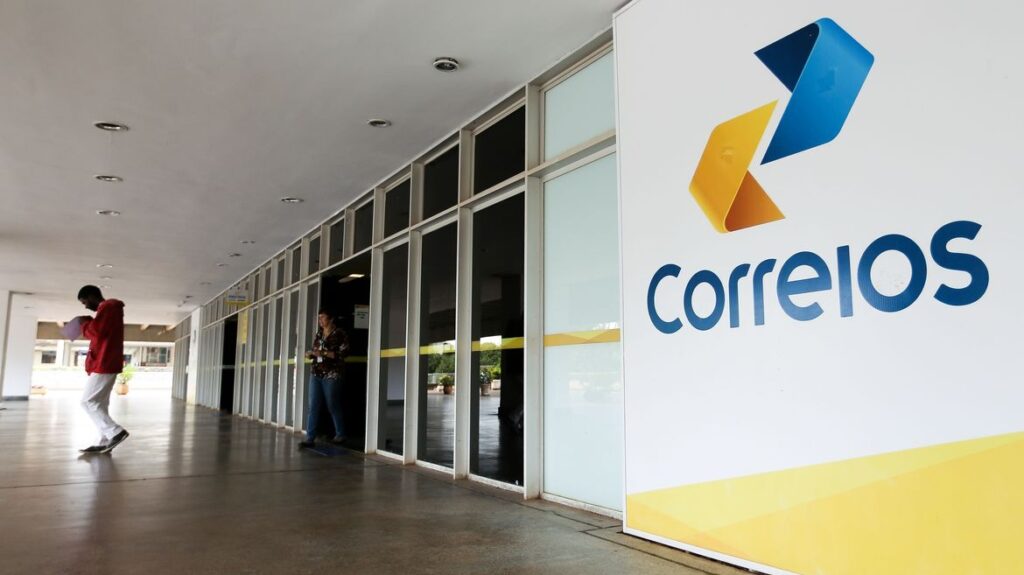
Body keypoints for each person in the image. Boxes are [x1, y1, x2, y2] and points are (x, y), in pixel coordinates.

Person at [75, 285, 130, 454]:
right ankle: (103, 440)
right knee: (99, 403)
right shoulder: (107, 310)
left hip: (104, 363)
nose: (85, 306)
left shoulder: (109, 306)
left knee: (88, 402)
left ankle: (115, 432)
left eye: (85, 302)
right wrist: (89, 322)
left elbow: (97, 333)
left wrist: (84, 323)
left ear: (92, 296)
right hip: (104, 362)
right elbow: (100, 332)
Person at [298, 309, 350, 449]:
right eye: (319, 317)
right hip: (316, 373)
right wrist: (311, 354)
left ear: (331, 319)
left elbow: (344, 353)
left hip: (332, 374)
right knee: (313, 405)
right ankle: (310, 438)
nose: (320, 320)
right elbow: (316, 350)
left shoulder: (340, 334)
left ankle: (340, 434)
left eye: (323, 317)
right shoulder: (319, 334)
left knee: (332, 404)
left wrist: (324, 353)